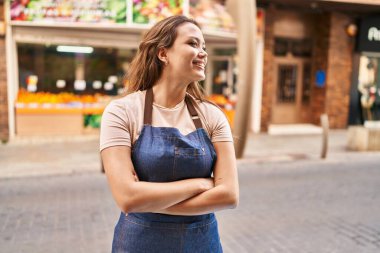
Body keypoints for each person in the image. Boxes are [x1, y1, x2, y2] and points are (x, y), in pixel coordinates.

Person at [100, 15, 239, 253]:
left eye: (204, 46)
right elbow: (126, 197)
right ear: (163, 54)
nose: (203, 52)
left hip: (201, 245)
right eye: (193, 44)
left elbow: (228, 195)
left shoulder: (212, 116)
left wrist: (147, 201)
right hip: (139, 245)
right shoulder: (122, 112)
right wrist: (200, 184)